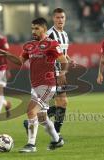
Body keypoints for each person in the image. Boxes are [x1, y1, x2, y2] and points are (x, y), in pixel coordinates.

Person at [0, 17, 68, 152]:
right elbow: (19, 61)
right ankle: (57, 140)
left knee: (30, 111)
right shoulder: (29, 45)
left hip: (47, 85)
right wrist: (6, 54)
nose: (33, 31)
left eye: (37, 28)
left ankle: (31, 144)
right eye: (32, 28)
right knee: (42, 118)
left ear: (44, 29)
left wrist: (62, 74)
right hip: (35, 86)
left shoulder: (52, 44)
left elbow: (64, 61)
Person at [23, 8, 71, 138]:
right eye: (57, 17)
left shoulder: (65, 34)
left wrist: (69, 59)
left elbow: (61, 53)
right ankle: (56, 133)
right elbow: (47, 52)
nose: (60, 20)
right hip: (52, 74)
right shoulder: (49, 34)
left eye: (62, 17)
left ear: (65, 19)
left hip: (58, 72)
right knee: (61, 102)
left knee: (61, 102)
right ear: (53, 19)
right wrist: (60, 73)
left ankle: (41, 126)